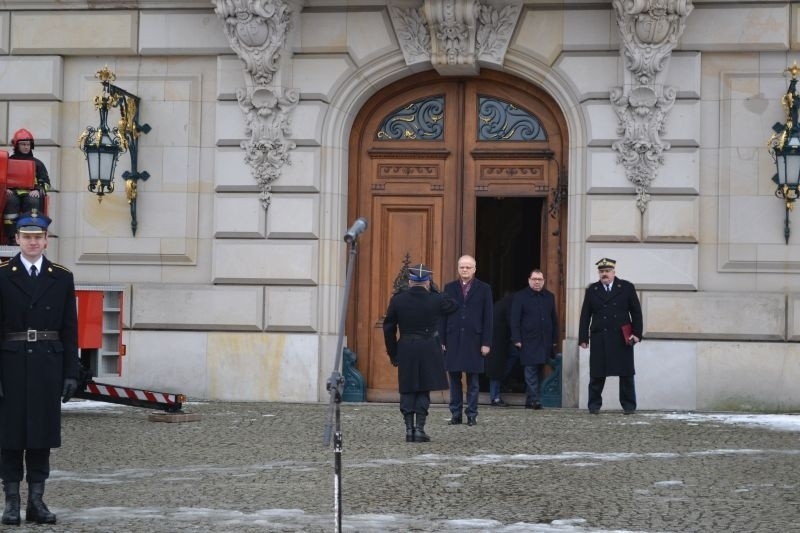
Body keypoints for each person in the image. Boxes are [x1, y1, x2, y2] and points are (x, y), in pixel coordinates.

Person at [0, 210, 79, 525]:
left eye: (38, 237)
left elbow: (70, 329)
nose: (33, 242)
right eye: (27, 237)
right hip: (11, 364)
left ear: (46, 241)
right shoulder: (2, 274)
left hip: (47, 363)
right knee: (9, 438)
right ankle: (10, 504)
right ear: (17, 239)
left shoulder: (61, 277)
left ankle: (37, 502)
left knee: (40, 437)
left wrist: (71, 372)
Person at [383, 263, 457, 443]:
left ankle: (409, 429)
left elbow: (388, 328)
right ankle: (420, 429)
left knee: (407, 389)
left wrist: (393, 353)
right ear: (427, 282)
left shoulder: (398, 300)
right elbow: (453, 305)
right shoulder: (436, 299)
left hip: (407, 346)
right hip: (429, 347)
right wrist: (436, 291)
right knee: (424, 389)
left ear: (410, 281)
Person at [578, 257, 643, 415]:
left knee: (626, 374)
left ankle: (629, 406)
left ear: (614, 272)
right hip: (600, 337)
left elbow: (636, 313)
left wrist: (636, 334)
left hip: (622, 337)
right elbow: (585, 315)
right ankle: (594, 406)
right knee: (597, 374)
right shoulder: (592, 290)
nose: (604, 274)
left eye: (607, 271)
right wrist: (583, 338)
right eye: (601, 272)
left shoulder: (626, 287)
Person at [439, 255, 493, 426]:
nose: (465, 270)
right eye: (462, 267)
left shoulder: (484, 289)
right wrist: (442, 339)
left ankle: (472, 414)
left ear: (474, 269)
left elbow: (488, 317)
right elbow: (443, 315)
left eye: (468, 267)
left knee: (473, 381)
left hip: (474, 340)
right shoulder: (449, 288)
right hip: (453, 338)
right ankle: (455, 413)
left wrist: (486, 342)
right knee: (454, 379)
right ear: (458, 268)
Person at [510, 269, 559, 410]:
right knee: (530, 370)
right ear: (529, 280)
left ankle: (529, 400)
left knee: (539, 370)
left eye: (540, 279)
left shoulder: (549, 296)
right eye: (534, 279)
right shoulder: (520, 297)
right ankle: (536, 400)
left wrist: (554, 338)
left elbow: (553, 319)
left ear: (543, 281)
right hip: (527, 340)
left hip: (544, 340)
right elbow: (515, 320)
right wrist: (516, 339)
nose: (537, 282)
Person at [3, 129, 50, 245]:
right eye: (23, 144)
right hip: (12, 193)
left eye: (28, 144)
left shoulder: (38, 163)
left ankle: (29, 235)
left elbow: (46, 182)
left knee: (32, 201)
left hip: (31, 193)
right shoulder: (8, 162)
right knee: (11, 200)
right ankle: (13, 237)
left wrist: (38, 190)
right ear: (16, 145)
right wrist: (5, 189)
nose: (26, 147)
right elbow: (2, 179)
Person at [487, 291, 514, 407]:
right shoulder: (508, 305)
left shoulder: (501, 304)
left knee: (498, 369)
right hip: (498, 342)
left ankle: (496, 394)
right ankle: (495, 397)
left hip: (499, 341)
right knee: (497, 371)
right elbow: (511, 322)